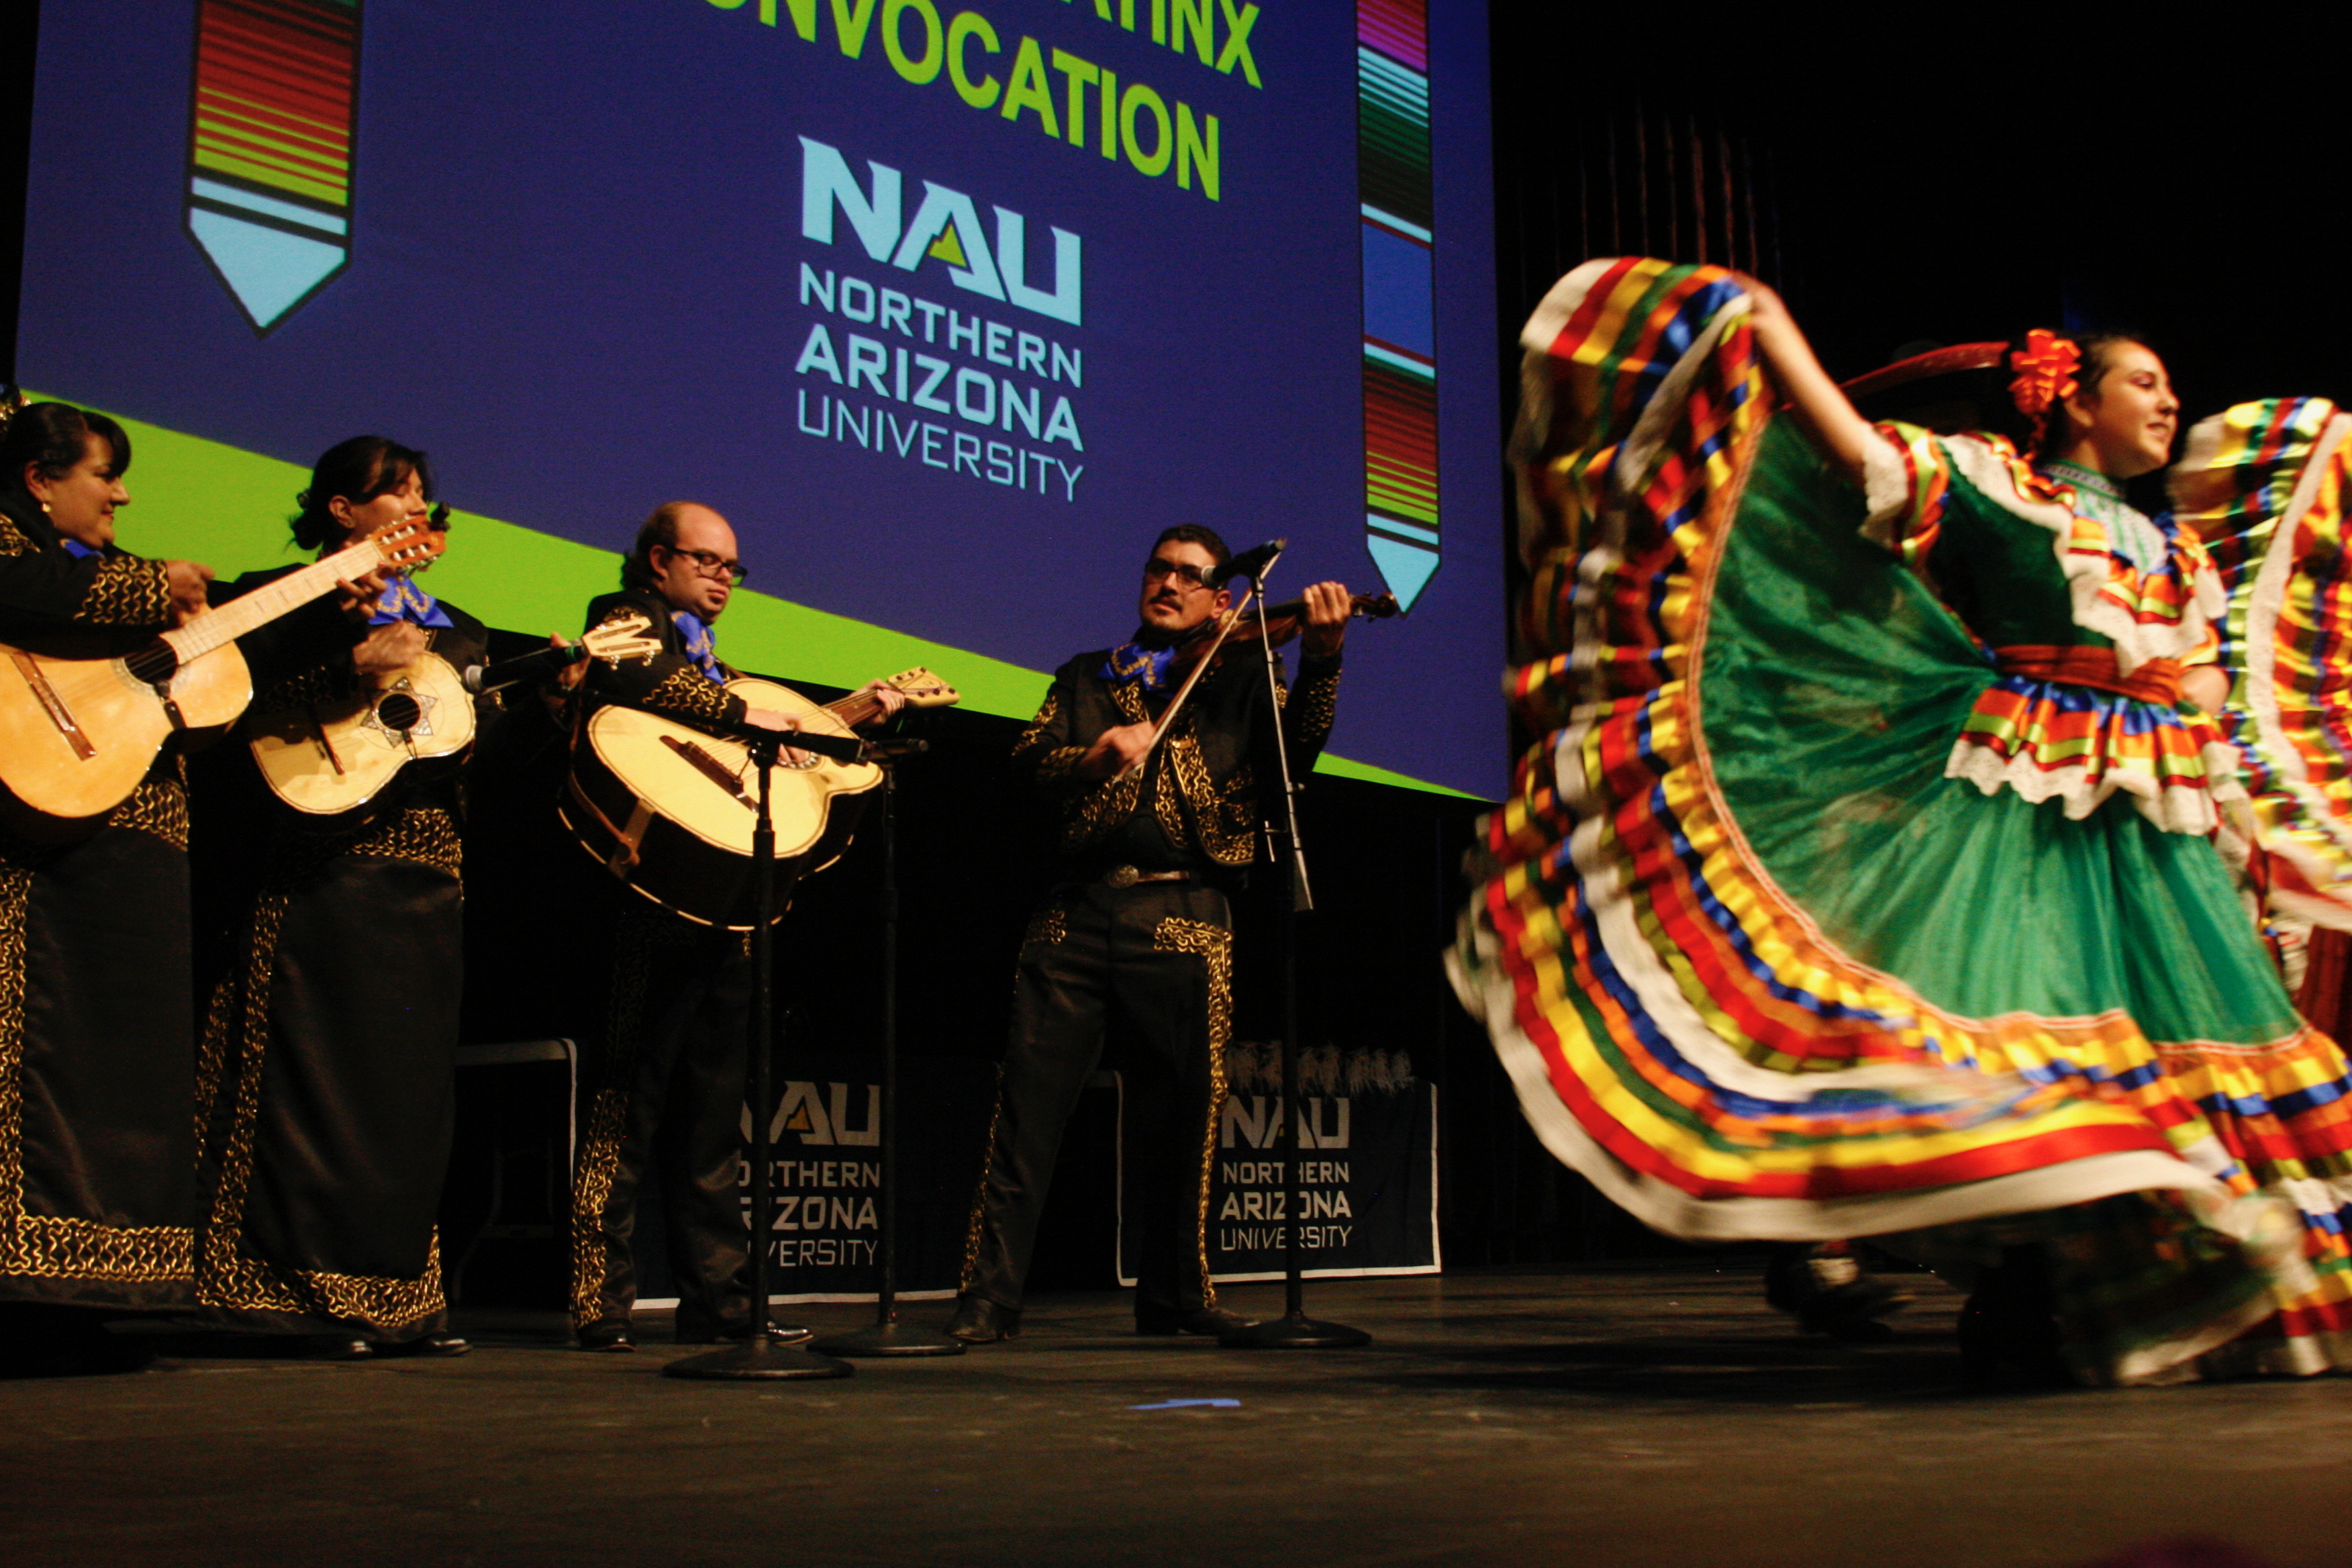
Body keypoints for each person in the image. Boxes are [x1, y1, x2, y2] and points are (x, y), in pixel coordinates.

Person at [1451, 257, 2352, 1385]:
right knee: (2028, 1045)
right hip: (2027, 815)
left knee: (2181, 1063)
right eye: (2142, 383)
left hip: (2152, 833)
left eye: (2168, 389)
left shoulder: (2171, 554)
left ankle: (2131, 1284)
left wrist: (2221, 789)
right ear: (2073, 399)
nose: (2166, 404)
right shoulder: (2001, 486)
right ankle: (2024, 1281)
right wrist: (1770, 328)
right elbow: (1857, 453)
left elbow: (2194, 689)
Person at [946, 526, 1351, 1344]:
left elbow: (1294, 758)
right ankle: (987, 1300)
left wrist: (1325, 660)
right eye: (1159, 569)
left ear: (1222, 598)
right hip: (1075, 913)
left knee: (1185, 1116)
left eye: (1190, 575)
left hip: (1186, 915)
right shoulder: (1086, 676)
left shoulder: (1244, 674)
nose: (1169, 584)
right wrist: (1090, 760)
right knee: (1025, 1113)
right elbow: (1027, 761)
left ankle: (1176, 1295)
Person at [567, 500, 903, 1351]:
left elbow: (747, 732)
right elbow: (636, 680)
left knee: (717, 1111)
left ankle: (720, 1299)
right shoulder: (629, 622)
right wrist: (748, 717)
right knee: (627, 1103)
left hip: (727, 905)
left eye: (732, 566)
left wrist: (837, 722)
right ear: (655, 561)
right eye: (706, 560)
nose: (723, 576)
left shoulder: (721, 668)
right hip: (648, 902)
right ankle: (597, 1299)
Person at [191, 436, 481, 1359]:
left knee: (405, 1094)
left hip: (424, 875)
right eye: (390, 492)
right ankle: (280, 1296)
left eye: (421, 494)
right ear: (341, 512)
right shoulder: (269, 597)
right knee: (308, 1076)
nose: (411, 505)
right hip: (315, 865)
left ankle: (396, 1296)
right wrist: (342, 659)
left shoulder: (458, 628)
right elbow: (227, 710)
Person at [0, 399, 213, 1374]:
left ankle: (96, 1290)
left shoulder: (93, 578)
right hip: (41, 856)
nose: (122, 492)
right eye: (102, 475)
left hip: (125, 861)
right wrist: (148, 585)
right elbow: (25, 588)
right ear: (41, 480)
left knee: (119, 1066)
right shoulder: (23, 550)